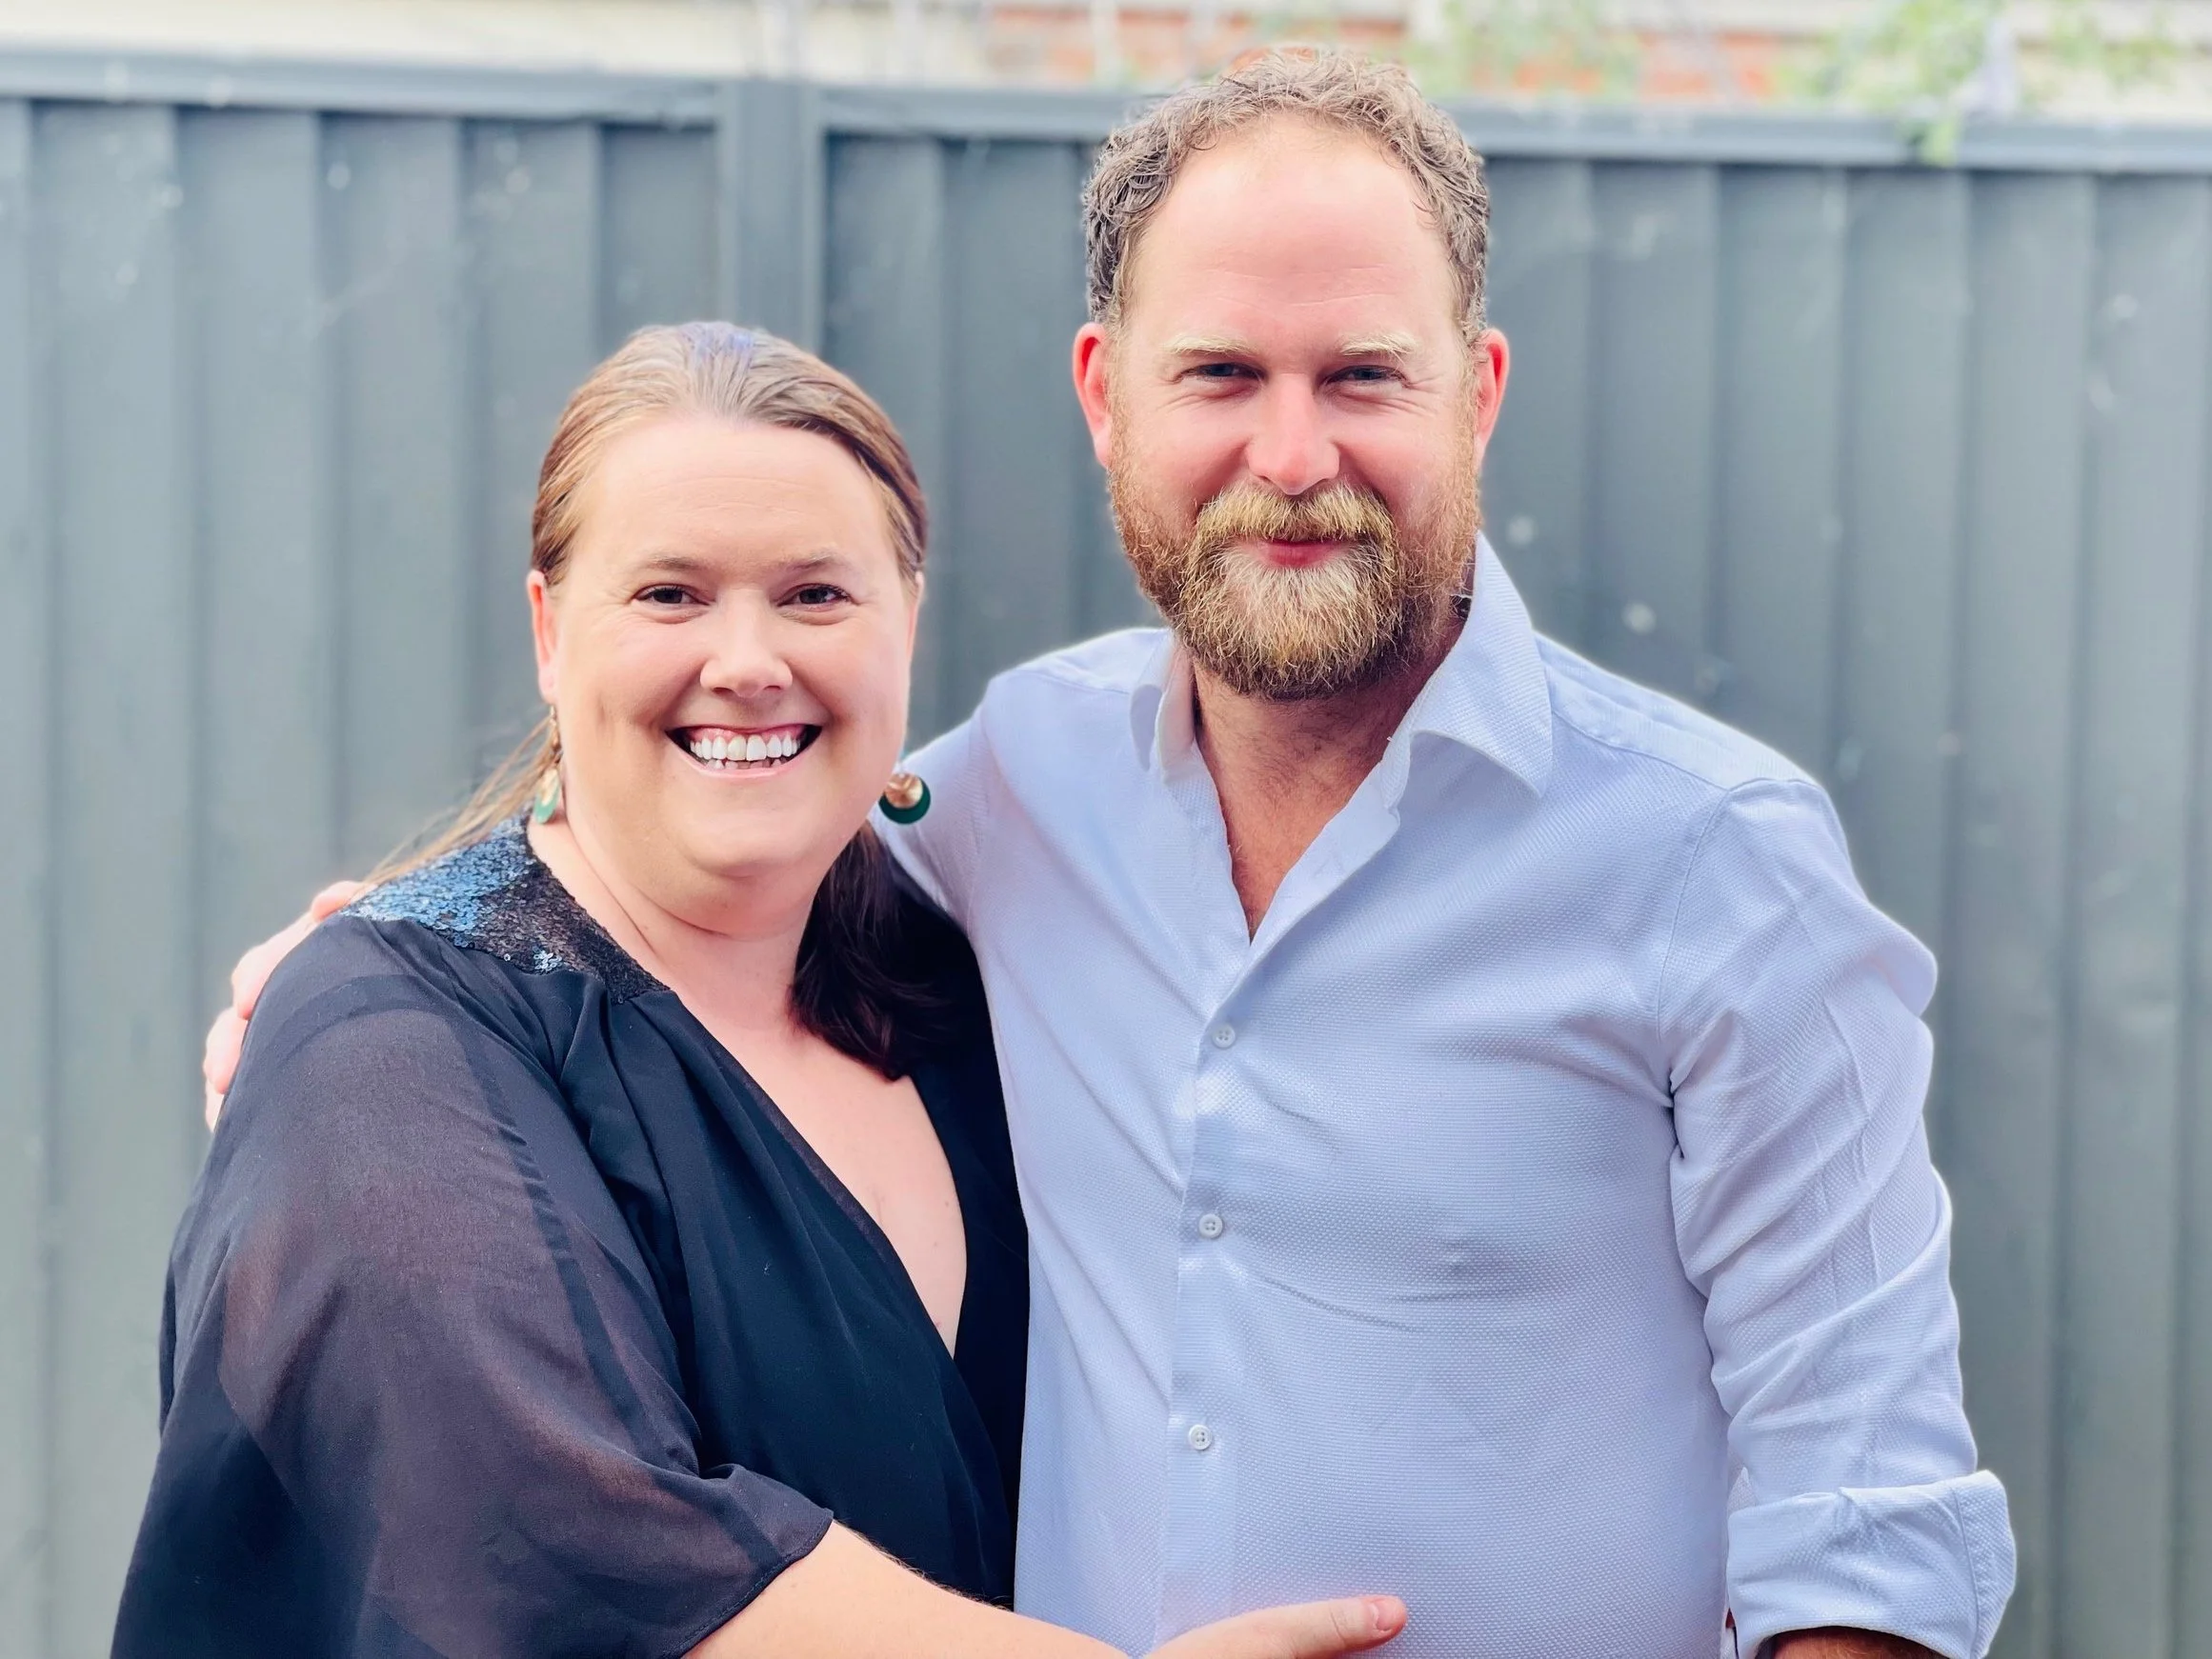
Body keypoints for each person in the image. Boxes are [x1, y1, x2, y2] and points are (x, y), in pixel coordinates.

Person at [211, 51, 2017, 1659]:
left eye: (1361, 377)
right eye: (1220, 373)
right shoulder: (1016, 788)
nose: (1290, 453)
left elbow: (1867, 1520)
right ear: (1105, 395)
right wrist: (374, 981)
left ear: (1475, 392)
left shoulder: (1718, 863)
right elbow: (704, 830)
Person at [125, 322, 1407, 1659]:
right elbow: (571, 1548)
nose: (748, 659)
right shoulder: (387, 1040)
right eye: (671, 595)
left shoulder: (969, 979)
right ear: (551, 629)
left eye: (813, 595)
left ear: (906, 621)